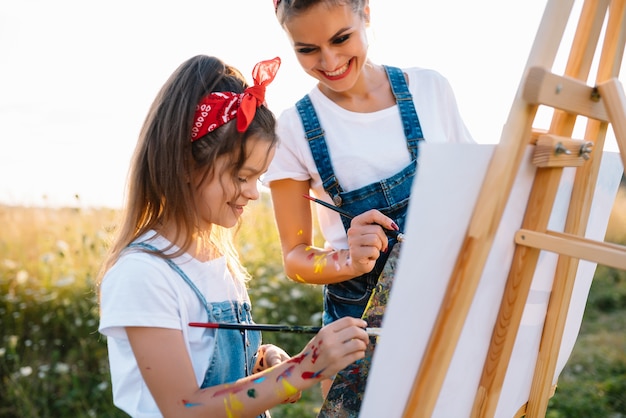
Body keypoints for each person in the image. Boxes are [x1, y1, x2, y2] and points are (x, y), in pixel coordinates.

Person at [97, 54, 369, 418]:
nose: (254, 192)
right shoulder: (143, 275)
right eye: (242, 176)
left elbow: (217, 367)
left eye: (258, 177)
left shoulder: (216, 259)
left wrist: (263, 362)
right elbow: (184, 408)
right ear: (186, 164)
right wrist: (303, 370)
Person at [264, 0, 475, 329]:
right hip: (361, 324)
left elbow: (479, 191)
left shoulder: (430, 89)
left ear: (366, 13)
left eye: (341, 39)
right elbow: (294, 257)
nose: (329, 62)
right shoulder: (293, 128)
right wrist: (347, 261)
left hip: (451, 303)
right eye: (307, 50)